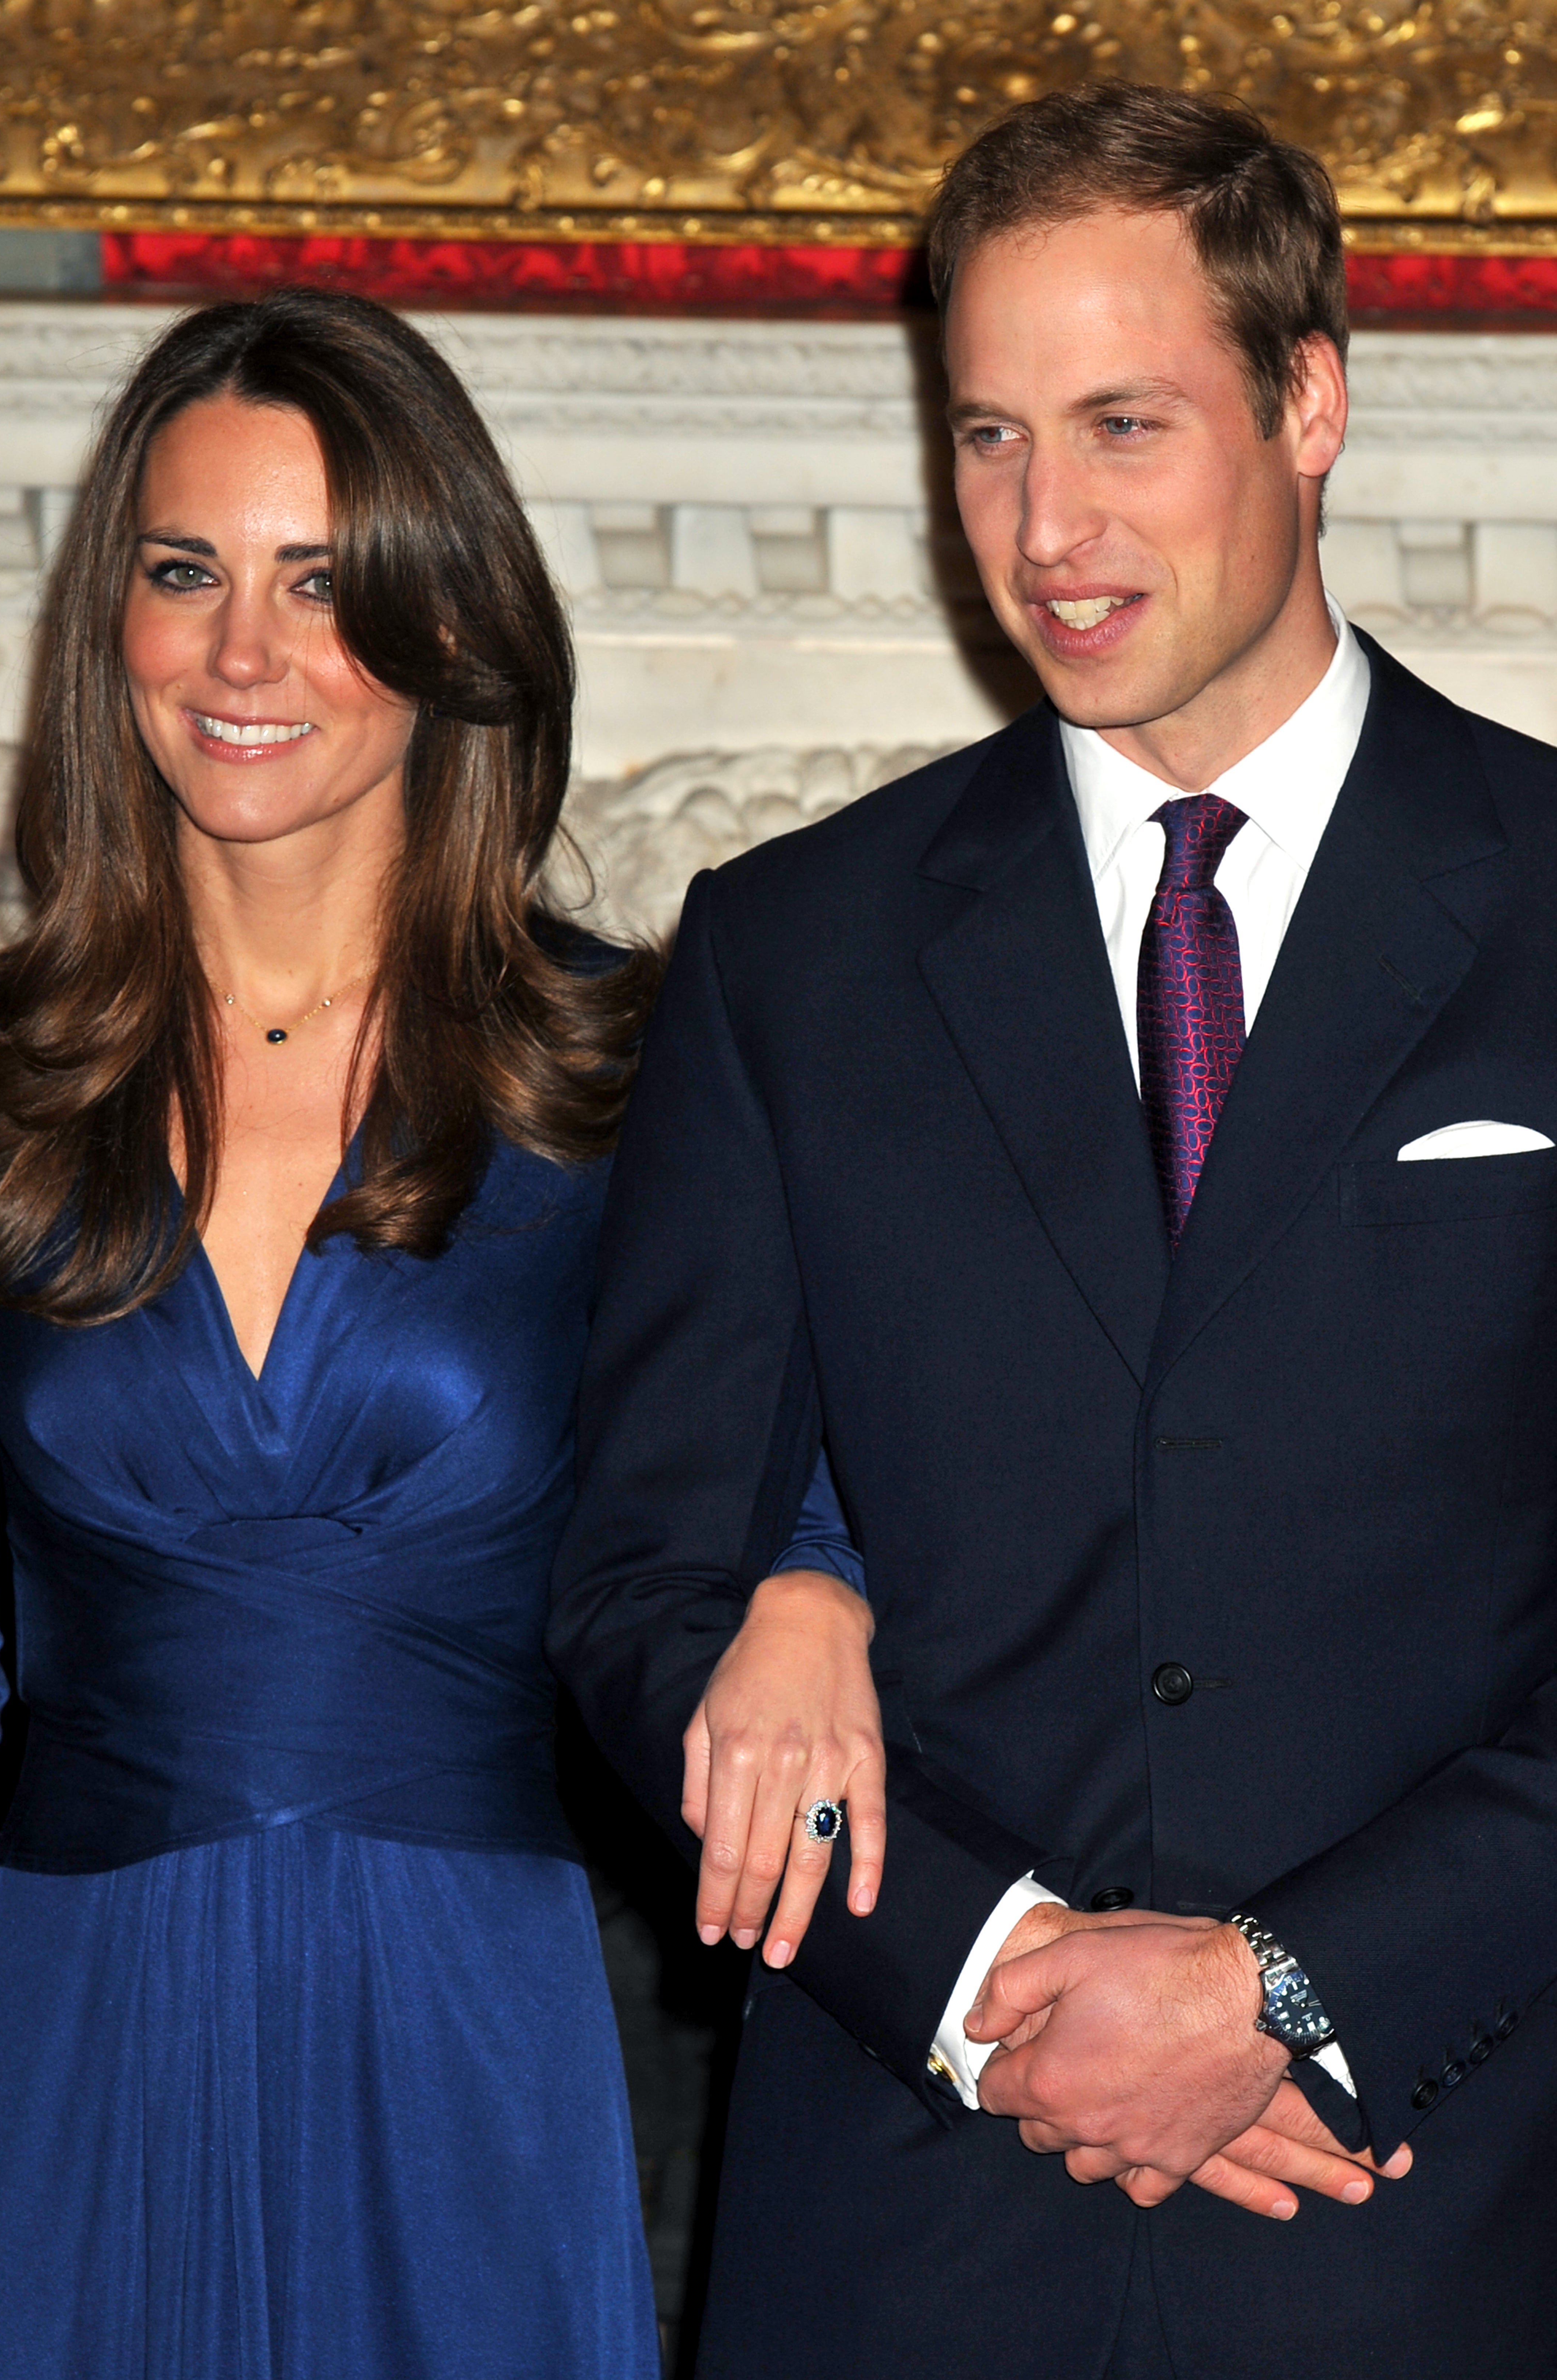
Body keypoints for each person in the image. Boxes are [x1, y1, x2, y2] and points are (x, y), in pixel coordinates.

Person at [550, 82, 1557, 2379]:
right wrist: (1001, 1996)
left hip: (1445, 2221)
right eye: (988, 435)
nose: (1045, 526)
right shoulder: (788, 953)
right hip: (910, 2243)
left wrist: (1286, 1992)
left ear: (1311, 403)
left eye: (1122, 423)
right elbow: (637, 1592)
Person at [0, 287, 696, 2380]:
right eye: (185, 573)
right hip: (69, 2035)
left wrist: (828, 1610)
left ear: (450, 629)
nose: (243, 655)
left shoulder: (642, 1084)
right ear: (107, 624)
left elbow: (805, 1524)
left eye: (326, 586)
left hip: (474, 2042)